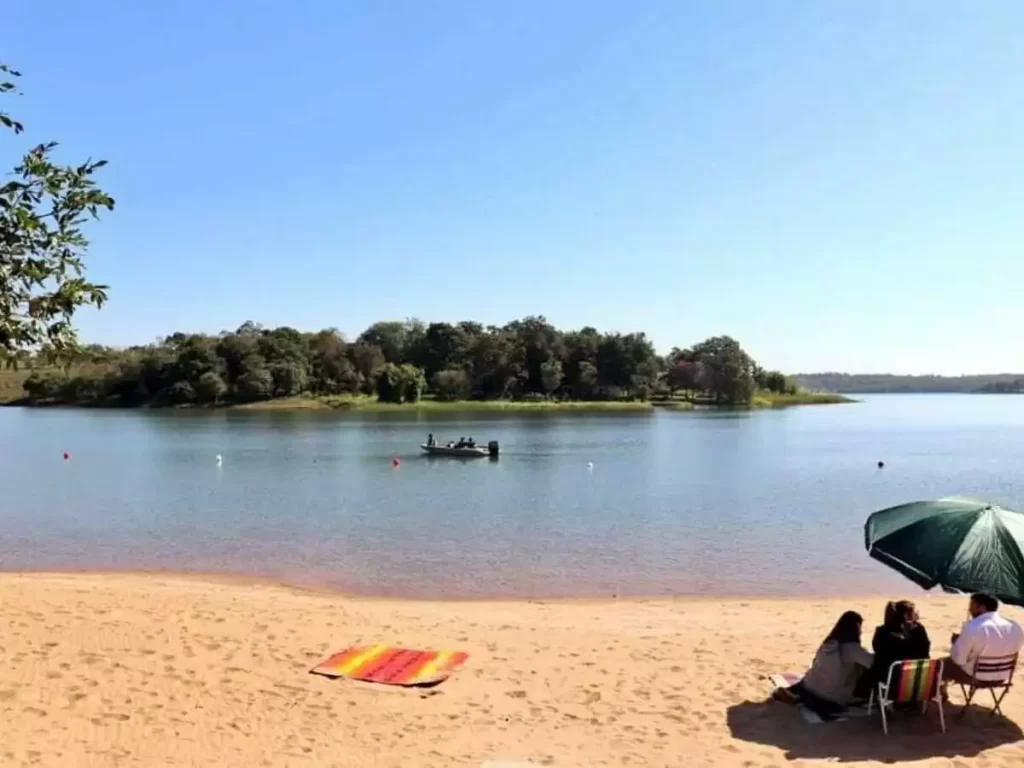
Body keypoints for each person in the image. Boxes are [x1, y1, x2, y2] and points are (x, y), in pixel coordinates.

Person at [774, 611, 873, 719]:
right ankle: (801, 699)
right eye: (859, 628)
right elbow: (873, 663)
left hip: (809, 685)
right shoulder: (853, 649)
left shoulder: (829, 643)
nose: (860, 632)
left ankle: (797, 695)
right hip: (831, 697)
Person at [944, 593, 1024, 684]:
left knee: (941, 665)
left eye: (972, 606)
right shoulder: (1014, 626)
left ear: (982, 608)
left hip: (976, 677)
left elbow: (959, 660)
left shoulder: (974, 627)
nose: (970, 610)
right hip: (1003, 677)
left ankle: (940, 694)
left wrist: (956, 643)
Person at [856, 600, 931, 697]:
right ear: (906, 616)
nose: (917, 614)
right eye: (914, 612)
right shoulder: (920, 632)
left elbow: (878, 652)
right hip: (918, 687)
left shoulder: (882, 632)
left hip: (892, 688)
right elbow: (925, 653)